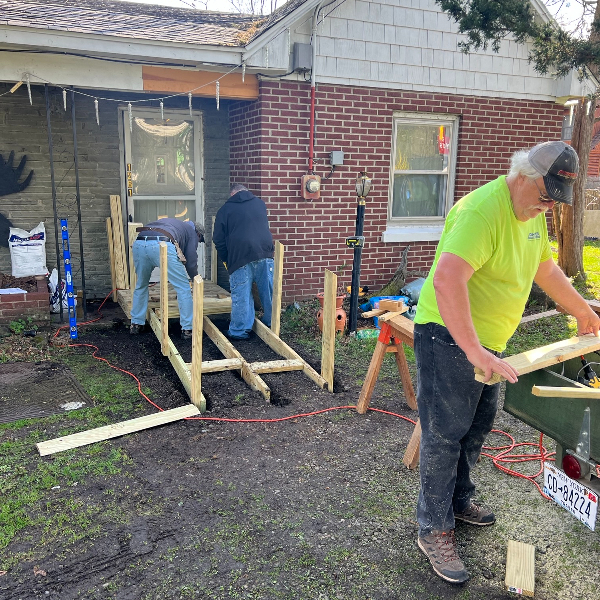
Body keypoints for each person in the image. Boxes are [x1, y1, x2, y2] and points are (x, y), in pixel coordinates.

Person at [413, 141, 600, 584]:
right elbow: (447, 279)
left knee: (476, 427)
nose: (547, 207)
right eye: (544, 196)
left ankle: (458, 502)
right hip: (448, 335)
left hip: (488, 344)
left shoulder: (533, 214)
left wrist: (583, 311)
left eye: (554, 201)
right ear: (522, 176)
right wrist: (474, 350)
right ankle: (433, 528)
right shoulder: (482, 211)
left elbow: (545, 270)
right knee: (445, 435)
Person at [213, 183, 275, 340]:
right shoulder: (260, 204)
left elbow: (218, 240)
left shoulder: (225, 210)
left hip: (239, 256)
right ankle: (271, 324)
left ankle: (239, 331)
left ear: (232, 194)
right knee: (268, 291)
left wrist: (227, 259)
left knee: (242, 294)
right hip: (265, 253)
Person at [130, 218, 204, 339]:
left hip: (139, 244)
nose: (197, 242)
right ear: (198, 234)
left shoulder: (174, 224)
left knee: (141, 284)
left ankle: (136, 323)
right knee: (183, 287)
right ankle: (188, 329)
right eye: (199, 240)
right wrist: (195, 279)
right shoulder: (191, 232)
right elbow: (191, 260)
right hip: (161, 244)